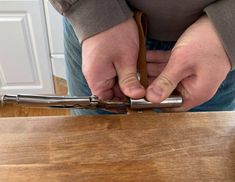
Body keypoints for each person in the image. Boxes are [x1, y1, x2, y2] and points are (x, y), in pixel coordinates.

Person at [49, 0, 235, 115]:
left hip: (219, 53)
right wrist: (91, 10)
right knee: (91, 149)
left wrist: (227, 29)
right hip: (97, 35)